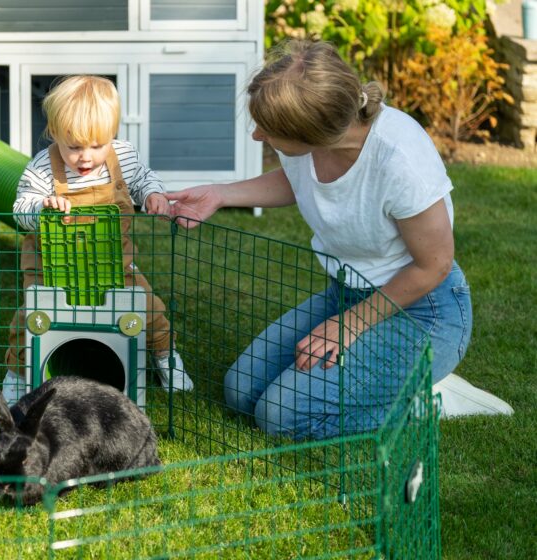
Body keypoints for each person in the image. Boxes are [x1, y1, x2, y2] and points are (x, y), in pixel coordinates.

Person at [162, 39, 485, 440]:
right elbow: (303, 180)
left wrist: (348, 325)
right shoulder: (313, 143)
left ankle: (419, 400)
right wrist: (222, 194)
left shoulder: (400, 159)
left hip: (422, 311)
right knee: (242, 392)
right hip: (346, 293)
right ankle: (384, 384)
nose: (258, 135)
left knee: (281, 416)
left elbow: (434, 264)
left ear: (313, 133)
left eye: (268, 129)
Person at [2, 74, 194, 404]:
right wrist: (42, 207)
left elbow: (144, 178)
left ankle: (164, 357)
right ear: (55, 133)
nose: (86, 157)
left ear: (112, 136)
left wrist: (152, 194)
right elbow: (20, 209)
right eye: (74, 147)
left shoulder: (124, 157)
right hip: (50, 266)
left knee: (148, 308)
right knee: (32, 319)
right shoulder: (43, 168)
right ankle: (17, 373)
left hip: (114, 261)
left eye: (97, 145)